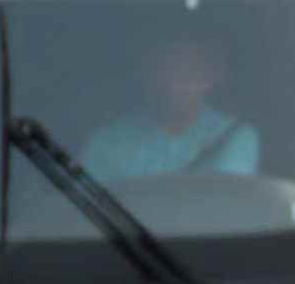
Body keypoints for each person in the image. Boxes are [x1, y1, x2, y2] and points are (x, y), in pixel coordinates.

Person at [81, 39, 258, 185]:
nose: (175, 85)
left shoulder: (236, 137)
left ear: (209, 81)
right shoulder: (108, 142)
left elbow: (224, 206)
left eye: (190, 73)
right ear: (147, 76)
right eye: (167, 71)